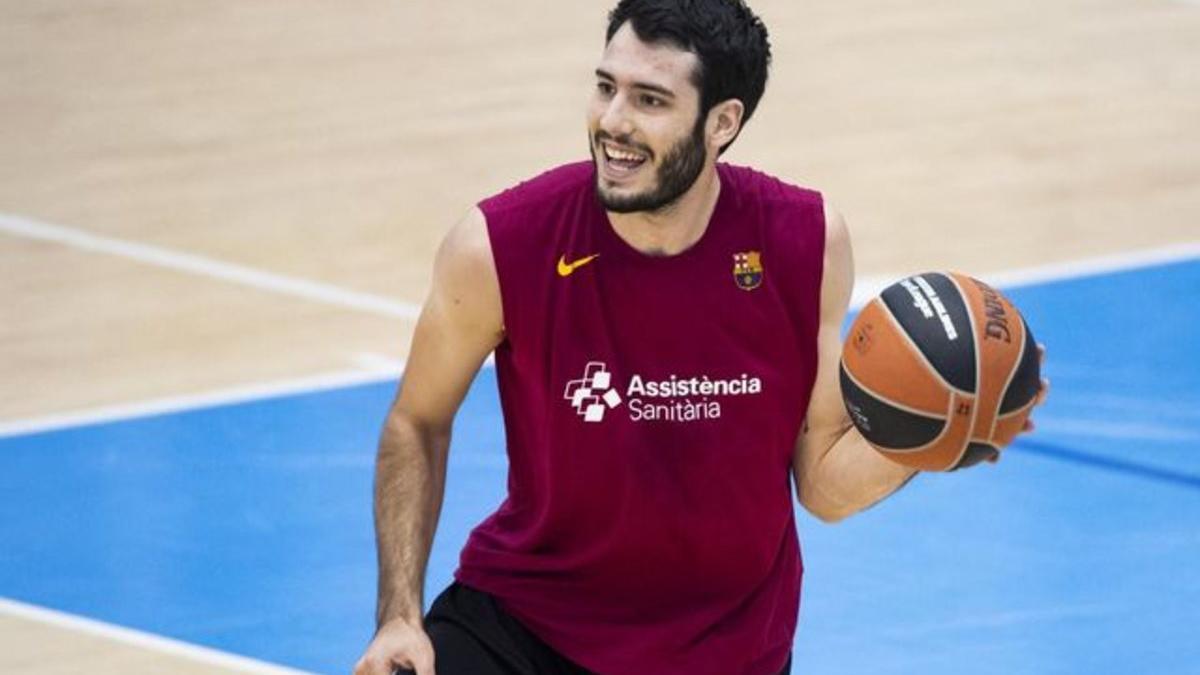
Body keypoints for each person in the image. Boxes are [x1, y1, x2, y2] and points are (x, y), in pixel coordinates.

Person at [354, 1, 1045, 674]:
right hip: (525, 630)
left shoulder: (804, 242)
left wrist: (935, 433)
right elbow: (417, 421)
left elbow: (825, 486)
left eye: (650, 100)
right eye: (605, 87)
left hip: (730, 653)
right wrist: (399, 614)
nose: (613, 123)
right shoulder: (500, 246)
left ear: (723, 122)